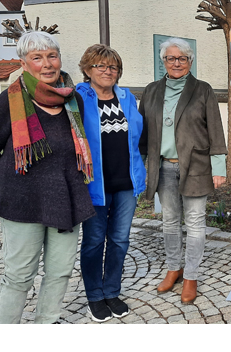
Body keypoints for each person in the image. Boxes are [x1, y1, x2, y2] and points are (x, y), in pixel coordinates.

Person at [0, 31, 95, 324]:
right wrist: (5, 190)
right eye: (37, 58)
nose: (47, 64)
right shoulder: (9, 100)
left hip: (66, 200)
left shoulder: (72, 97)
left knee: (60, 271)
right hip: (21, 203)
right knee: (19, 276)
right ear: (24, 63)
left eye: (52, 56)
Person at [139, 37, 227, 304]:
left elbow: (215, 129)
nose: (176, 63)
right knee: (169, 221)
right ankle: (173, 268)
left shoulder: (203, 90)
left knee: (196, 223)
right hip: (163, 166)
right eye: (170, 58)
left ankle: (191, 275)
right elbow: (143, 134)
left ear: (190, 61)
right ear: (163, 61)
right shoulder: (152, 90)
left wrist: (219, 167)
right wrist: (142, 166)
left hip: (196, 166)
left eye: (182, 58)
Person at [76, 44, 147, 322]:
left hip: (126, 182)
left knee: (119, 240)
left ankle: (112, 291)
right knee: (94, 241)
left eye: (113, 67)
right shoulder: (78, 99)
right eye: (101, 66)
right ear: (87, 69)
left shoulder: (127, 97)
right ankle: (95, 295)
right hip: (94, 184)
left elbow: (138, 134)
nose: (108, 71)